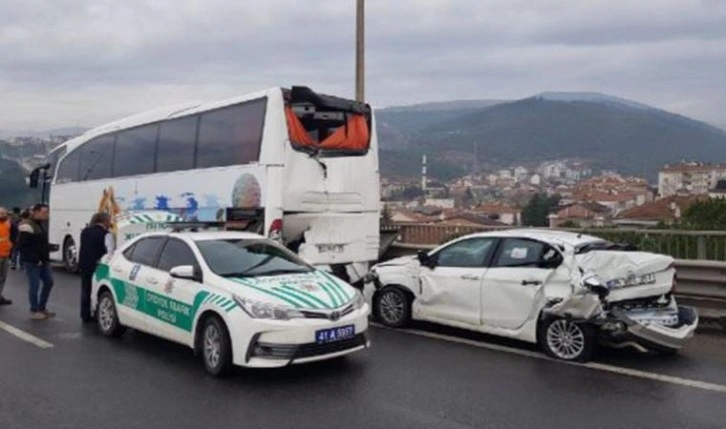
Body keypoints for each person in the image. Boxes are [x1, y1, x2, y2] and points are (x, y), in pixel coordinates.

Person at [18, 203, 54, 320]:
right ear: (36, 212)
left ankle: (41, 307)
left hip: (43, 260)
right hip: (32, 261)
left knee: (49, 282)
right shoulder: (27, 226)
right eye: (44, 212)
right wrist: (35, 259)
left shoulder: (41, 225)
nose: (46, 215)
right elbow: (24, 245)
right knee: (34, 285)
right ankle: (34, 310)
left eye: (47, 212)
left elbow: (41, 243)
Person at [79, 212, 112, 323]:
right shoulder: (106, 234)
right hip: (98, 266)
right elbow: (109, 252)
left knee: (85, 289)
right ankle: (96, 313)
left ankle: (85, 314)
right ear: (105, 221)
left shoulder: (85, 232)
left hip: (84, 264)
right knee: (97, 290)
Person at [0, 207, 14, 306]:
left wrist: (11, 245)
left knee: (3, 277)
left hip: (5, 254)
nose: (3, 216)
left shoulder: (7, 223)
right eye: (1, 214)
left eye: (5, 214)